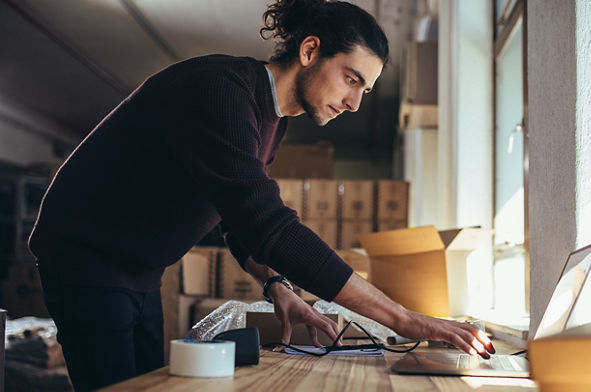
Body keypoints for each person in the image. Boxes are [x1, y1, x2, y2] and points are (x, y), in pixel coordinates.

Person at [29, 0, 494, 390]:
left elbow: (236, 222)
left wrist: (277, 286)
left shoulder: (273, 121)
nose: (355, 103)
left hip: (140, 268)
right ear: (311, 50)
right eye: (351, 79)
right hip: (85, 258)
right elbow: (266, 223)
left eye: (365, 90)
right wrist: (407, 321)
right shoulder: (221, 91)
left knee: (152, 385)